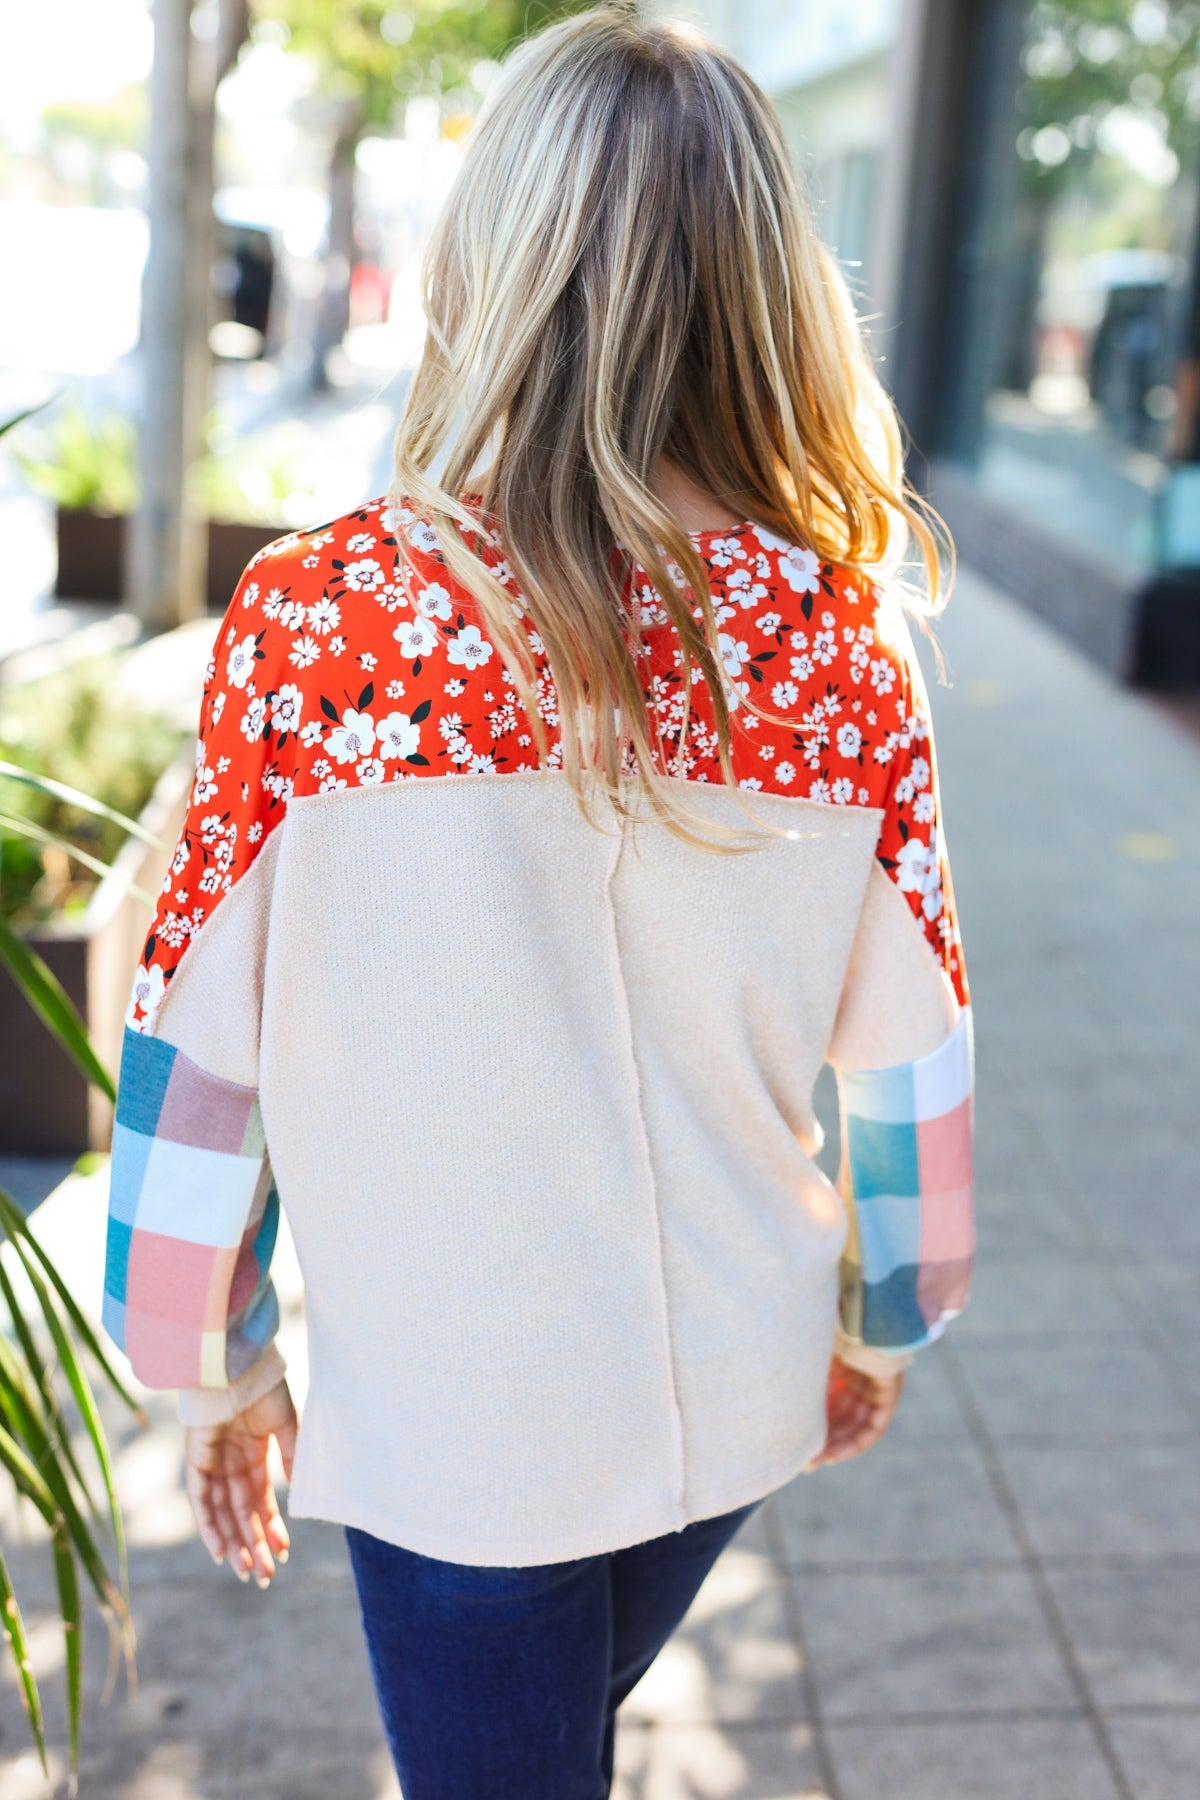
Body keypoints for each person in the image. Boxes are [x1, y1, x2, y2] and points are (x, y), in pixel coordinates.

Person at [100, 9, 974, 1796]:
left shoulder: (324, 628)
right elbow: (915, 1057)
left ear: (488, 261)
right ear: (767, 286)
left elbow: (191, 1035)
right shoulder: (839, 645)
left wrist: (215, 1362)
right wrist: (888, 1318)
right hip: (736, 1390)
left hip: (457, 1435)